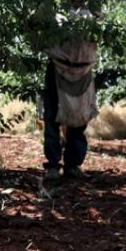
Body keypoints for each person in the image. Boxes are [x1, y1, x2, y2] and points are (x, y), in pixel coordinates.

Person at [42, 34, 98, 180]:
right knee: (52, 118)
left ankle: (72, 166)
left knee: (80, 119)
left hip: (83, 71)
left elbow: (100, 26)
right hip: (57, 68)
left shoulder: (92, 13)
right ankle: (53, 166)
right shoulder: (55, 11)